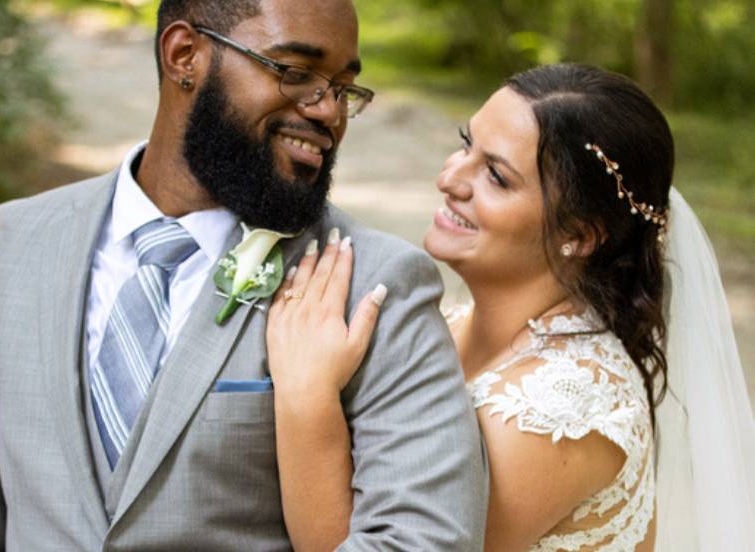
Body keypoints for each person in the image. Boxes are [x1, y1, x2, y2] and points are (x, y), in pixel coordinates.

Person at [0, 1, 487, 550]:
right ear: (184, 55)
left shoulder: (376, 283)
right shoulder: (0, 245)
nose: (328, 112)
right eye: (296, 74)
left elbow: (424, 538)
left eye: (342, 88)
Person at [267, 63, 755, 550]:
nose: (450, 178)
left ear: (580, 235)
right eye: (465, 144)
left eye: (496, 176)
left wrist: (305, 395)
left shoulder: (562, 405)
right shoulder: (452, 326)